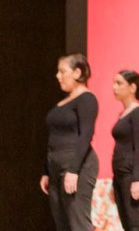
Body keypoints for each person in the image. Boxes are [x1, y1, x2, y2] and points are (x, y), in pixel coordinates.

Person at [41, 53, 99, 231]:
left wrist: (73, 170)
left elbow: (86, 134)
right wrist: (47, 171)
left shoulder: (87, 99)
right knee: (62, 224)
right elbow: (53, 138)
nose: (58, 76)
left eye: (62, 71)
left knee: (78, 223)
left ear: (77, 72)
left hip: (76, 165)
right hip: (56, 165)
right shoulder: (64, 102)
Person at [111, 70, 139, 230]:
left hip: (130, 173)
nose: (114, 87)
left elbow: (138, 147)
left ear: (132, 87)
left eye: (119, 83)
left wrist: (136, 180)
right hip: (120, 174)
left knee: (135, 223)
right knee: (127, 224)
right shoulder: (123, 114)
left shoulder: (138, 112)